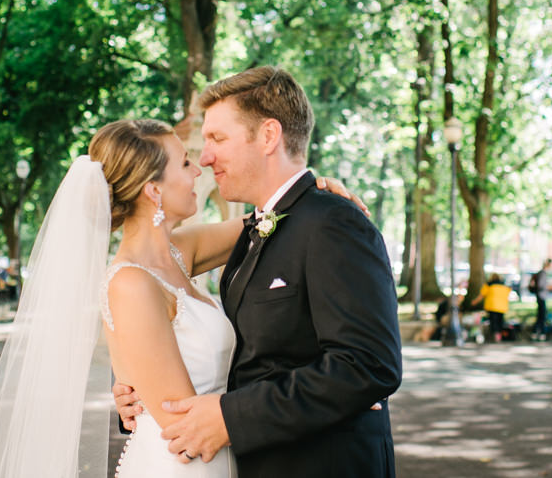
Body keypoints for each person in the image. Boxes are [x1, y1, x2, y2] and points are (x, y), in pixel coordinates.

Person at [0, 113, 364, 477]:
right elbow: (183, 422)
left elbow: (272, 217)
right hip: (184, 464)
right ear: (153, 191)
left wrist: (316, 190)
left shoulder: (180, 251)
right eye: (185, 163)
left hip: (220, 454)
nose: (199, 170)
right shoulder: (130, 284)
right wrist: (321, 396)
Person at [115, 66, 403, 478]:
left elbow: (368, 364)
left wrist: (231, 418)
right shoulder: (254, 231)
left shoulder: (333, 223)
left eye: (217, 138)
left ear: (268, 136)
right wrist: (137, 391)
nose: (206, 158)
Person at [474, 273, 511, 341]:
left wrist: (474, 302)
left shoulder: (488, 285)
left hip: (492, 306)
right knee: (500, 321)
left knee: (494, 321)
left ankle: (496, 336)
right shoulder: (504, 286)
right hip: (502, 307)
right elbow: (508, 293)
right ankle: (499, 335)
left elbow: (481, 295)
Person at [529, 258, 551, 339]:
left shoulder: (541, 273)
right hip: (541, 296)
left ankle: (537, 332)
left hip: (540, 296)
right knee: (542, 315)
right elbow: (541, 286)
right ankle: (540, 333)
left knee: (541, 315)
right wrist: (548, 287)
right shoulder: (543, 274)